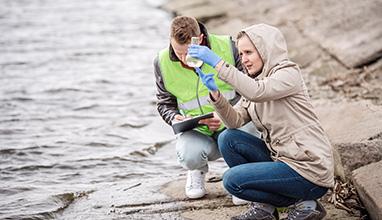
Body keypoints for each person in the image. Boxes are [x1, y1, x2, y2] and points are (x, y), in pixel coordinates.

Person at [188, 23, 334, 220]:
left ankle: (305, 203)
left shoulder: (288, 73)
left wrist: (217, 63)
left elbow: (258, 92)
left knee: (233, 180)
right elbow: (235, 121)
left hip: (308, 169)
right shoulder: (256, 81)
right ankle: (265, 209)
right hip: (283, 161)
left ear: (266, 50)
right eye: (241, 54)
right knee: (228, 138)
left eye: (249, 52)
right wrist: (216, 95)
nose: (244, 59)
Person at [153, 16, 244, 199]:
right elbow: (165, 103)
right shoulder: (161, 61)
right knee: (188, 154)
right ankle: (196, 170)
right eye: (178, 53)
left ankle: (241, 174)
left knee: (252, 128)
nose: (184, 59)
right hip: (197, 130)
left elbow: (250, 89)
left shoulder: (228, 46)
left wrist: (226, 115)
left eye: (188, 53)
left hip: (234, 123)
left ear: (200, 39)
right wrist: (174, 118)